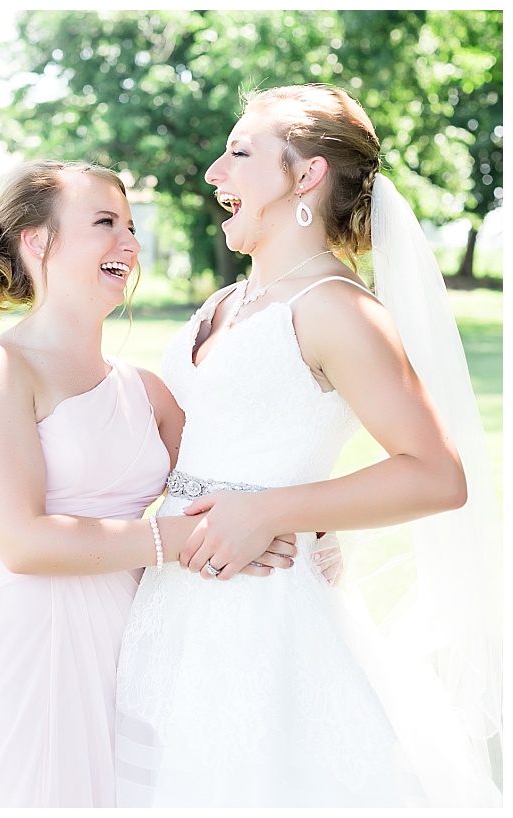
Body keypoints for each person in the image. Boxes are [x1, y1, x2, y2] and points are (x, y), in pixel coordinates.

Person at [113, 84, 501, 807]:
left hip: (265, 618)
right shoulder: (229, 301)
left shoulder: (336, 309)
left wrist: (273, 511)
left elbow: (437, 475)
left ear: (306, 175)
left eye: (239, 153)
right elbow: (193, 436)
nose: (213, 174)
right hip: (174, 605)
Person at [0, 159, 302, 807]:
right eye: (105, 223)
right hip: (27, 643)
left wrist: (285, 522)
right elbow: (24, 544)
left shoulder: (148, 394)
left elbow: (237, 484)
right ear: (38, 242)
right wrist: (182, 537)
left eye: (131, 226)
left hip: (135, 644)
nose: (130, 244)